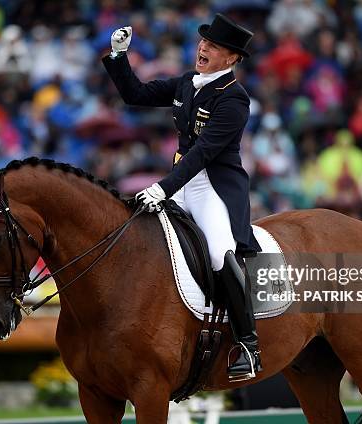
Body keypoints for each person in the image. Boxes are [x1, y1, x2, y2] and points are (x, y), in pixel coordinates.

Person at [102, 13, 262, 381]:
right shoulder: (188, 82)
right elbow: (135, 94)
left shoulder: (234, 99)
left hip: (212, 187)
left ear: (232, 58)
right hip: (181, 180)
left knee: (220, 254)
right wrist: (118, 56)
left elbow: (203, 153)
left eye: (214, 46)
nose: (203, 48)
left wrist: (162, 188)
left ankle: (249, 345)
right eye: (203, 42)